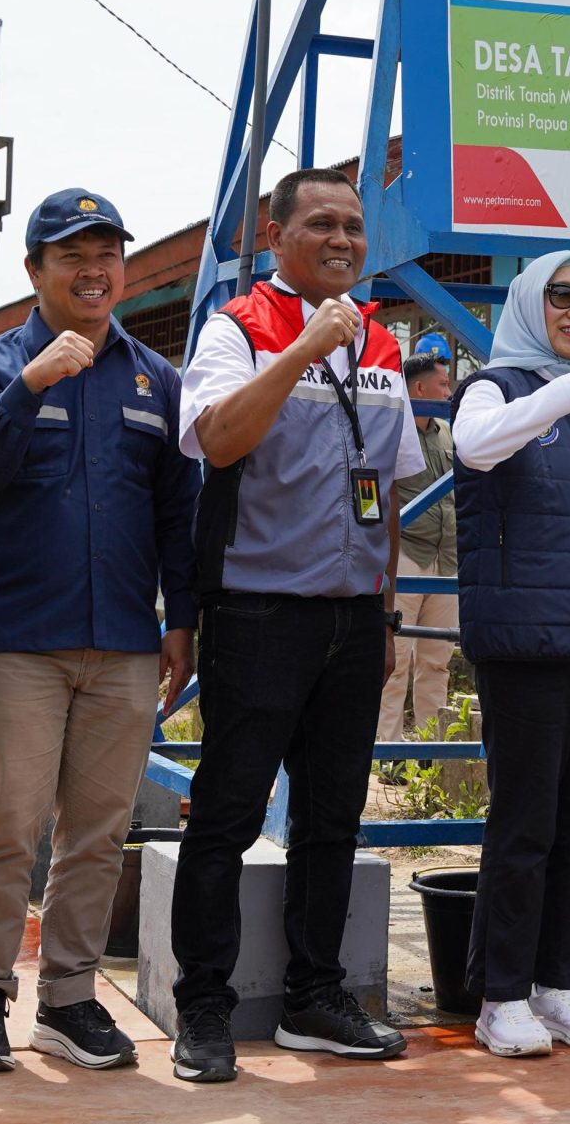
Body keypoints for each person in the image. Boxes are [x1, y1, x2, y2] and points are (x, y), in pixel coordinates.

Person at [168, 168, 420, 1084]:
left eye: (353, 225)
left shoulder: (383, 342)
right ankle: (204, 1004)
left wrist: (385, 611)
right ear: (276, 236)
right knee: (227, 813)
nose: (343, 239)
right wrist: (305, 346)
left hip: (352, 616)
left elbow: (386, 488)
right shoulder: (237, 327)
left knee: (332, 816)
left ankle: (316, 996)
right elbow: (218, 439)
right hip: (258, 610)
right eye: (321, 223)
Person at [0, 190, 199, 1074]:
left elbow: (177, 509)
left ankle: (69, 998)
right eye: (73, 255)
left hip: (125, 641)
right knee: (7, 825)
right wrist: (33, 383)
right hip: (20, 639)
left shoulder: (154, 377)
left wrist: (181, 619)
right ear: (35, 270)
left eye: (107, 254)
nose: (95, 271)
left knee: (97, 832)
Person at [450, 251, 570, 1059]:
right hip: (528, 642)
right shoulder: (493, 387)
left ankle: (560, 984)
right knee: (525, 823)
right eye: (563, 295)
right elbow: (476, 447)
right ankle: (501, 994)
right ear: (532, 302)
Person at [381, 352, 459, 743]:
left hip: (447, 560)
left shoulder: (448, 432)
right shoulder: (393, 429)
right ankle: (387, 751)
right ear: (419, 388)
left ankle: (431, 755)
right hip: (407, 557)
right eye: (443, 384)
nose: (449, 391)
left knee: (437, 661)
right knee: (394, 660)